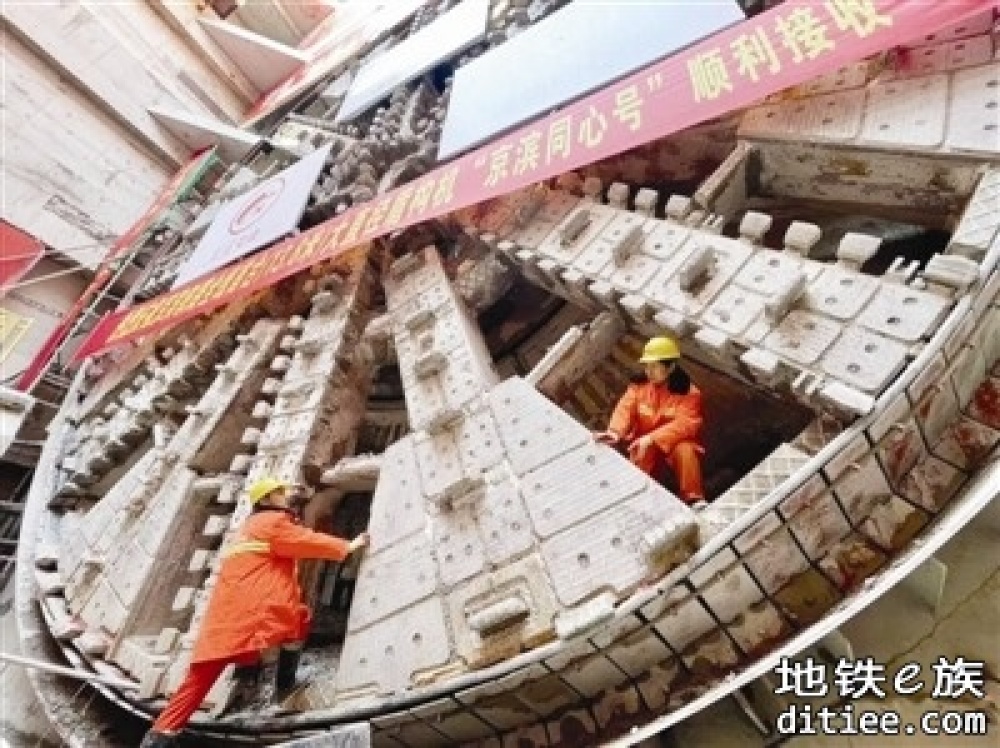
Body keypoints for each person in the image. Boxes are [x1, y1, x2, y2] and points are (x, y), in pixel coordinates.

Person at [140, 477, 370, 747]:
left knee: (199, 679)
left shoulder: (250, 526)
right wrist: (348, 546)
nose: (285, 494)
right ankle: (285, 685)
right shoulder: (272, 523)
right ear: (266, 499)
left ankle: (160, 735)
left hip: (227, 616)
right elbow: (305, 541)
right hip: (254, 611)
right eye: (279, 492)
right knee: (298, 620)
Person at [594, 336, 706, 507]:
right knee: (640, 451)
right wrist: (614, 432)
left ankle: (693, 499)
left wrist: (652, 438)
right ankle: (634, 499)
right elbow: (624, 408)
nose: (648, 371)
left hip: (672, 445)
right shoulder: (638, 387)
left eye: (654, 366)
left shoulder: (690, 394)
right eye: (646, 366)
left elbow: (686, 424)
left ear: (671, 367)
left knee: (686, 450)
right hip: (642, 446)